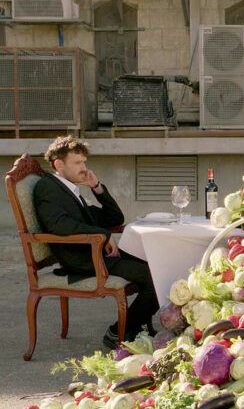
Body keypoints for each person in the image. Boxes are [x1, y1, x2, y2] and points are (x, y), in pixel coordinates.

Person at [33, 136, 158, 348]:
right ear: (58, 164)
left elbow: (115, 218)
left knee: (155, 266)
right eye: (78, 163)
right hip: (82, 258)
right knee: (153, 277)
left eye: (84, 162)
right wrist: (104, 235)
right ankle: (118, 331)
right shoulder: (48, 187)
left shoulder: (69, 189)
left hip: (94, 252)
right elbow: (59, 225)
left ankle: (136, 327)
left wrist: (96, 187)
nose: (84, 168)